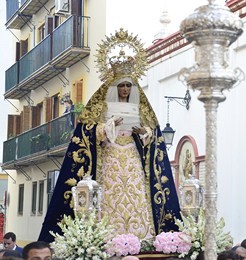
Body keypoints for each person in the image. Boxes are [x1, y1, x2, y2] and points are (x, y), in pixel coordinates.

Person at [38, 30, 182, 242]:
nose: (125, 89)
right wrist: (108, 126)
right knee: (109, 195)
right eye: (121, 85)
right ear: (114, 87)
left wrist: (144, 133)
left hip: (132, 157)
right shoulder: (101, 107)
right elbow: (87, 135)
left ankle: (141, 239)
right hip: (111, 158)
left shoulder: (141, 108)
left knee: (136, 194)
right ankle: (106, 238)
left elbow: (153, 137)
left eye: (128, 85)